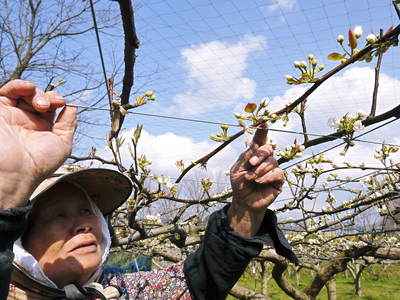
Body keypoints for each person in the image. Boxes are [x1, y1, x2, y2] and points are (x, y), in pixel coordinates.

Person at [0, 80, 296, 300]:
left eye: (87, 210)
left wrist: (244, 209)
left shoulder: (126, 291)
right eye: (58, 215)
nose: (84, 224)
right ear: (19, 242)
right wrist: (7, 192)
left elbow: (201, 281)